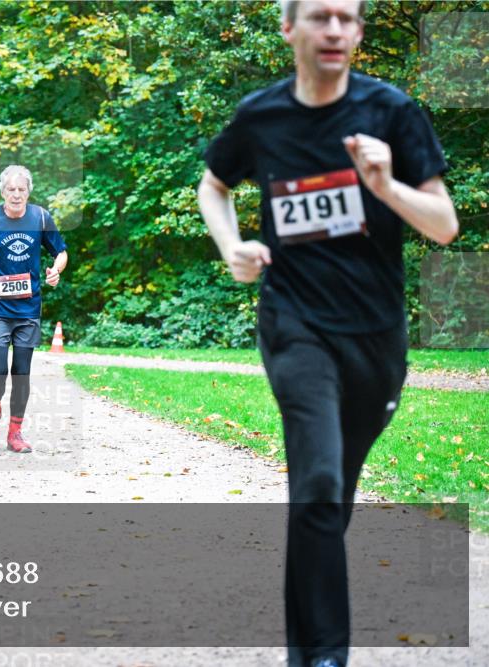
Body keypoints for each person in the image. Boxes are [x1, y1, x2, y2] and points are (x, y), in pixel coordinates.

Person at [196, 1, 458, 665]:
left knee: (329, 499)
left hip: (375, 336)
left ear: (360, 32)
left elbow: (444, 224)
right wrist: (232, 246)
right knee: (315, 482)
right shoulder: (263, 116)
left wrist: (385, 183)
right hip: (295, 322)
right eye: (319, 16)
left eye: (347, 17)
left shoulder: (392, 113)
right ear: (289, 29)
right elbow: (213, 185)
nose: (334, 29)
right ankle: (320, 655)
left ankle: (308, 626)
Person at [0, 165, 68, 453]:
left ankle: (15, 433)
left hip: (28, 310)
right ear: (2, 191)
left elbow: (61, 251)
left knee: (22, 372)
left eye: (21, 189)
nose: (16, 194)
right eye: (11, 189)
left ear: (28, 191)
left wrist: (56, 269)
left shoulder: (41, 217)